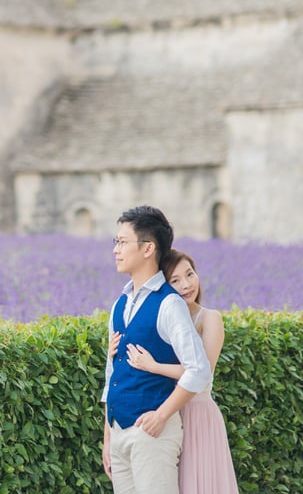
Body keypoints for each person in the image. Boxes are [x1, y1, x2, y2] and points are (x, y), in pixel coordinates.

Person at [102, 207, 211, 494]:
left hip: (152, 433)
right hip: (119, 432)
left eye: (123, 242)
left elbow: (199, 370)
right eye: (116, 242)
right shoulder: (119, 304)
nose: (116, 249)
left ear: (148, 248)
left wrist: (161, 415)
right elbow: (112, 374)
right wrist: (108, 437)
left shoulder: (169, 304)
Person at [115, 249, 239, 494]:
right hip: (169, 408)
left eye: (190, 274)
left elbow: (203, 374)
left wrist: (154, 366)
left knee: (197, 484)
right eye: (175, 280)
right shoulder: (164, 315)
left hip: (196, 412)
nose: (186, 285)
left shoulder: (209, 318)